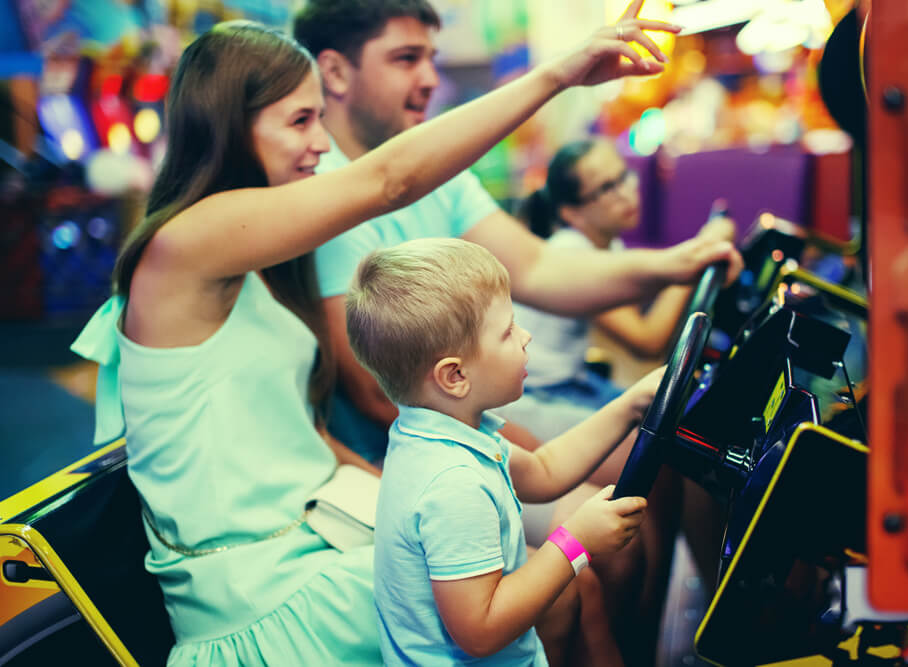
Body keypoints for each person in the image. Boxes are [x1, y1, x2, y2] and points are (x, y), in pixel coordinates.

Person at [69, 14, 684, 665]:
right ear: (231, 124)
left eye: (317, 118)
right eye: (299, 122)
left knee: (564, 581)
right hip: (264, 587)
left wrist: (396, 487)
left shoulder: (250, 265)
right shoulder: (183, 245)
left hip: (319, 529)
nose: (318, 143)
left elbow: (291, 430)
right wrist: (560, 74)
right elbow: (387, 181)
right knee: (555, 585)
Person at [291, 0, 743, 465]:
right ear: (336, 72)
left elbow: (540, 267)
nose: (429, 79)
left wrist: (681, 261)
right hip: (413, 450)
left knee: (670, 443)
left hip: (473, 408)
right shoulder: (317, 190)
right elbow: (377, 393)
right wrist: (536, 457)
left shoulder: (440, 180)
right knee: (645, 456)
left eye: (430, 58)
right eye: (406, 59)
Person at [346, 237, 666, 666]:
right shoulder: (451, 484)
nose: (526, 335)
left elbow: (545, 470)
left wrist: (629, 406)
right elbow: (480, 630)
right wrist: (577, 542)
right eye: (508, 331)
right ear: (455, 375)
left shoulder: (444, 430)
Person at [497, 139, 736, 441]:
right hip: (540, 392)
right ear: (572, 213)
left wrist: (696, 258)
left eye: (625, 176)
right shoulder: (574, 251)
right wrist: (699, 257)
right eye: (607, 188)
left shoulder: (608, 244)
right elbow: (647, 340)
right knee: (664, 439)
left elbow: (648, 297)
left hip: (574, 379)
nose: (627, 193)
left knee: (677, 418)